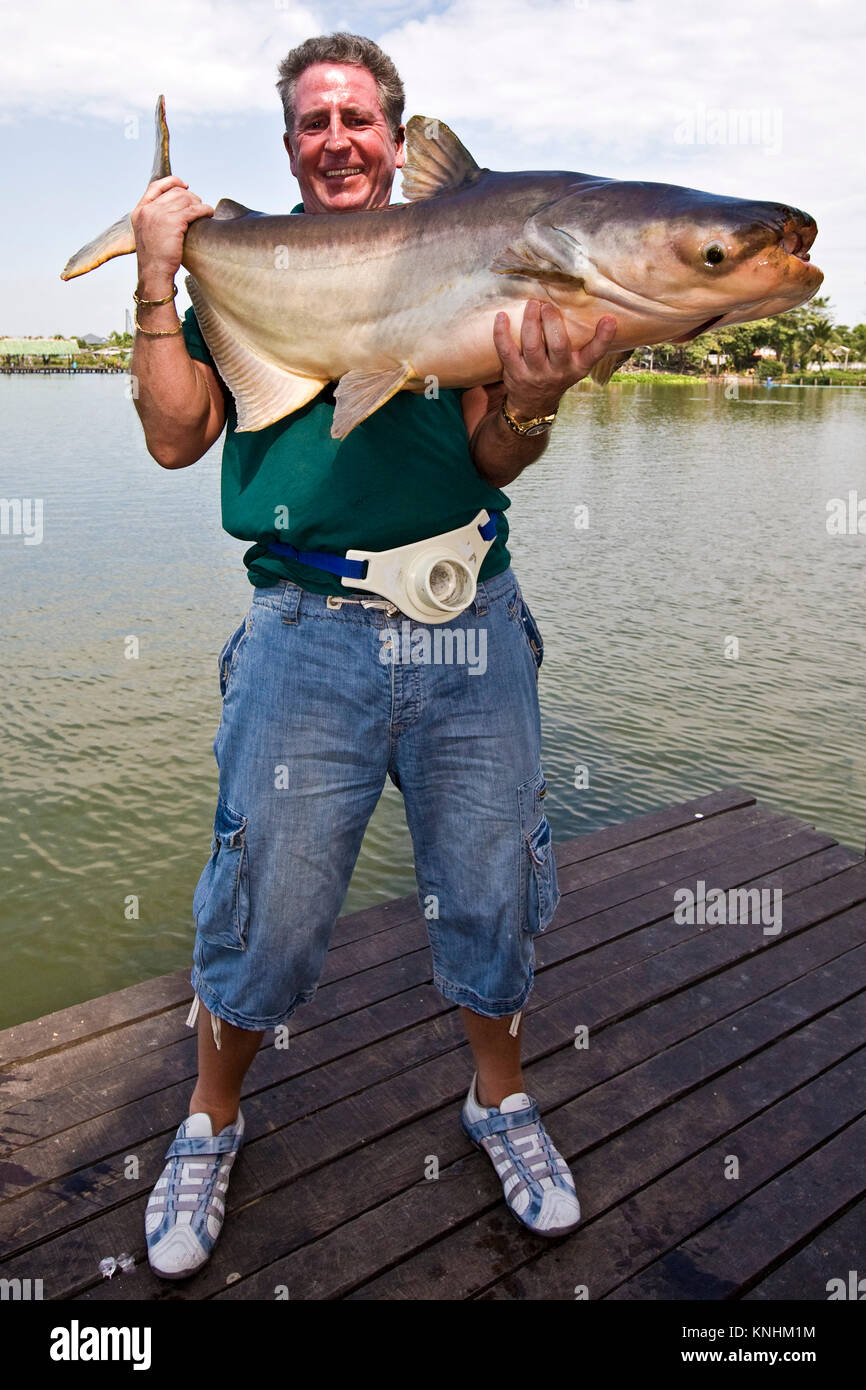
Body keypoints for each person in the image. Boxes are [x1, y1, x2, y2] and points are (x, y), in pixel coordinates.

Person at [131, 31, 617, 1280]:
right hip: (304, 632)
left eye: (358, 119)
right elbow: (177, 440)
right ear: (290, 145)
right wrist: (153, 279)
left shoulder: (473, 252)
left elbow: (497, 454)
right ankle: (210, 1118)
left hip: (472, 622)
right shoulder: (238, 267)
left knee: (492, 887)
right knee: (270, 906)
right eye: (313, 122)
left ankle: (497, 1102)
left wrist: (534, 395)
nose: (336, 138)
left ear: (396, 142)